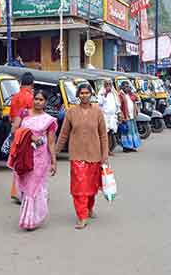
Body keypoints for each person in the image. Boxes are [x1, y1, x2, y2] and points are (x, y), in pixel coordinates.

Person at [56, 84, 108, 230]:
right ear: (78, 95)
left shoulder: (98, 112)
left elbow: (103, 135)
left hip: (94, 155)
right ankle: (82, 216)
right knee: (79, 188)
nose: (84, 95)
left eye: (87, 93)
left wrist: (104, 154)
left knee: (92, 187)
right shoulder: (71, 112)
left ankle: (89, 208)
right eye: (82, 93)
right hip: (77, 155)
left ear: (91, 95)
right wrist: (55, 152)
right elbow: (64, 134)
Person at [9, 90, 57, 230]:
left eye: (41, 100)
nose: (38, 102)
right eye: (36, 99)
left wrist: (53, 162)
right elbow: (14, 130)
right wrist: (29, 135)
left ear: (45, 102)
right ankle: (30, 215)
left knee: (34, 186)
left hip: (41, 157)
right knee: (25, 185)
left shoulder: (49, 120)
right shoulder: (24, 113)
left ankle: (30, 219)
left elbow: (51, 143)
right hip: (25, 154)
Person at [9, 72, 35, 202]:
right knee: (28, 163)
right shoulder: (31, 98)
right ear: (32, 84)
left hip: (16, 132)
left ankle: (16, 191)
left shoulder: (15, 97)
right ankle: (25, 191)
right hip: (28, 133)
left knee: (17, 162)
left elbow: (11, 117)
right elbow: (34, 118)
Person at [98, 80, 120, 156]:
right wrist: (105, 94)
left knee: (111, 133)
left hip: (112, 117)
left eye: (109, 84)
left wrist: (119, 114)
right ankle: (105, 151)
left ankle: (109, 150)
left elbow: (117, 104)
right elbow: (100, 103)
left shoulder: (114, 93)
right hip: (105, 116)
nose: (108, 85)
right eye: (106, 84)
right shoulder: (101, 93)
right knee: (105, 134)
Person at [118, 82, 141, 152]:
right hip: (125, 116)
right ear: (122, 87)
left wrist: (132, 92)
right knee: (126, 132)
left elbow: (137, 99)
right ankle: (126, 147)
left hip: (132, 116)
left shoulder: (130, 94)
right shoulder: (120, 95)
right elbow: (119, 106)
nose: (127, 88)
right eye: (125, 87)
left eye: (128, 87)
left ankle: (132, 146)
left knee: (132, 132)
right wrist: (122, 117)